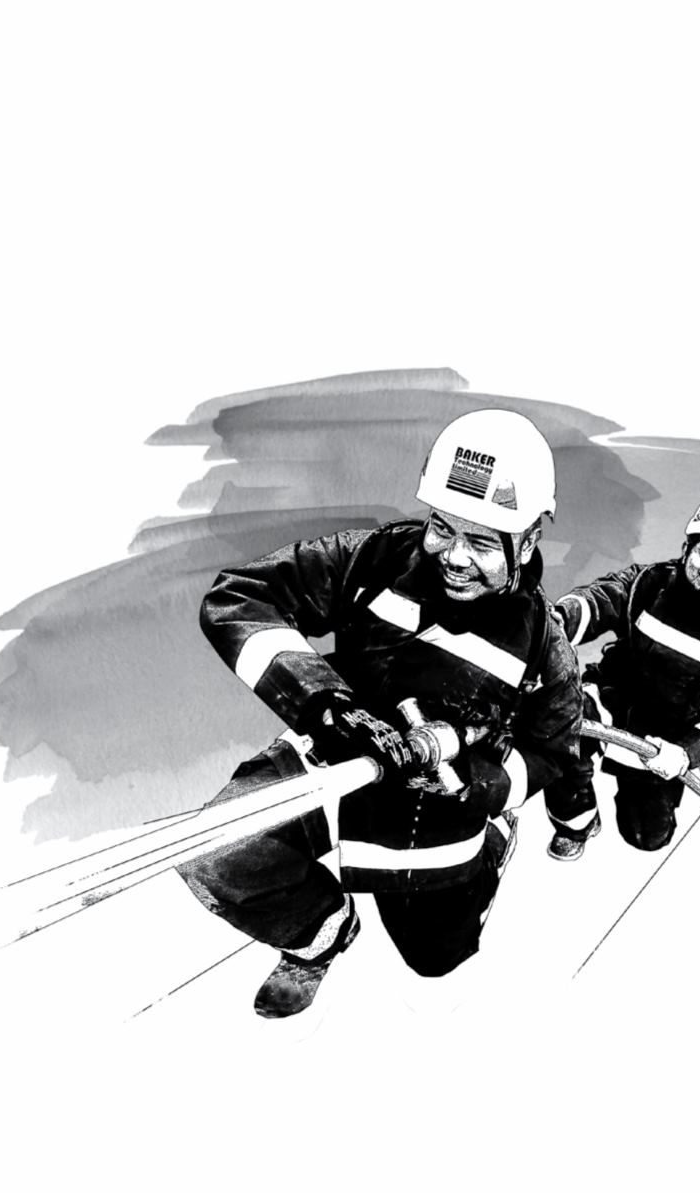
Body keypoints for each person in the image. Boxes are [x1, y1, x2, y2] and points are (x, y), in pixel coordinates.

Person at [179, 408, 583, 1020]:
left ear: (527, 542)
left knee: (434, 965)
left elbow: (552, 749)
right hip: (334, 757)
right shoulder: (375, 560)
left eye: (481, 542)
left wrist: (478, 787)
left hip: (436, 814)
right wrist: (326, 706)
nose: (454, 557)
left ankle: (492, 846)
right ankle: (319, 938)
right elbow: (239, 598)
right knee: (215, 852)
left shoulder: (543, 647)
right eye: (443, 528)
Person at [544, 489, 700, 860]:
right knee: (559, 735)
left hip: (663, 743)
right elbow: (602, 599)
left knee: (646, 836)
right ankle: (576, 824)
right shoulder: (648, 584)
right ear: (686, 549)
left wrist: (686, 754)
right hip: (608, 704)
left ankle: (642, 802)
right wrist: (559, 621)